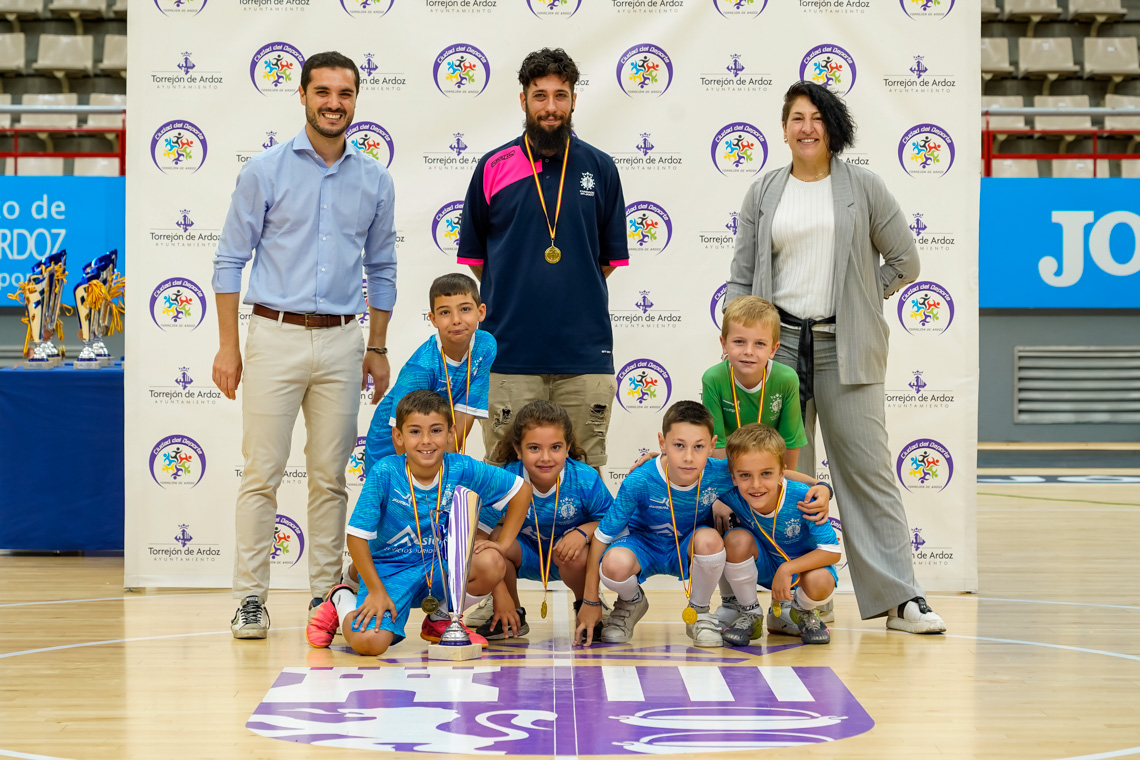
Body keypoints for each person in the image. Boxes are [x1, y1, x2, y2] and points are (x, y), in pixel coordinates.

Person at [726, 80, 945, 634]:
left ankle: (902, 599)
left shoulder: (864, 187)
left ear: (832, 128)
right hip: (779, 349)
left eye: (817, 118)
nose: (806, 127)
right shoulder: (764, 192)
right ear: (783, 128)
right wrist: (741, 337)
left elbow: (905, 261)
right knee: (784, 477)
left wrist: (862, 297)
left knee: (866, 471)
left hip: (844, 345)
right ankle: (788, 604)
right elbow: (743, 273)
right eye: (796, 118)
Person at [211, 51, 397, 640]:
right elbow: (228, 261)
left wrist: (379, 346)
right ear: (302, 95)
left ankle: (324, 597)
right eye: (323, 92)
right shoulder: (262, 171)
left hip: (344, 342)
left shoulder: (374, 179)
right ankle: (249, 600)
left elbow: (383, 267)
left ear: (355, 101)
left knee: (330, 477)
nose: (334, 103)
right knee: (261, 474)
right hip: (272, 335)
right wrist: (227, 348)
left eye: (345, 94)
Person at [457, 47, 627, 470]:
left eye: (560, 95)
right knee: (502, 477)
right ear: (523, 101)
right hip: (508, 354)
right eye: (540, 96)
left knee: (584, 478)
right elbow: (479, 260)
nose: (551, 108)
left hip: (583, 356)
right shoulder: (493, 166)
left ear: (573, 100)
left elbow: (605, 260)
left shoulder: (599, 168)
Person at [574, 402, 831, 648]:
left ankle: (699, 613)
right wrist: (590, 599)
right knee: (613, 562)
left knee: (710, 539)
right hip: (645, 547)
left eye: (698, 447)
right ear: (662, 443)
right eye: (678, 445)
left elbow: (770, 471)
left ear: (711, 446)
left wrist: (822, 487)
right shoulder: (640, 480)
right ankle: (631, 602)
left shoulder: (721, 472)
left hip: (688, 545)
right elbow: (602, 537)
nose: (688, 457)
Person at [305, 390, 533, 655]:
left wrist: (502, 546)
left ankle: (442, 618)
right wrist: (377, 591)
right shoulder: (386, 472)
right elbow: (356, 537)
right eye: (415, 432)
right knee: (369, 643)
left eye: (436, 430)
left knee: (492, 562)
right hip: (392, 570)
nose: (426, 441)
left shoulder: (462, 468)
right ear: (398, 437)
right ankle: (340, 598)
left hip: (441, 565)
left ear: (451, 434)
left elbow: (522, 491)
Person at [475, 400, 614, 641]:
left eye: (556, 447)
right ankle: (511, 614)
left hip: (569, 558)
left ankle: (587, 605)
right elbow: (479, 538)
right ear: (518, 449)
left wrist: (582, 532)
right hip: (527, 556)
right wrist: (499, 594)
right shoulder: (506, 479)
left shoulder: (584, 478)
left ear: (568, 447)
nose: (546, 457)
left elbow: (612, 523)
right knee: (495, 540)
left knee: (581, 549)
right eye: (534, 448)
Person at [717, 424, 840, 647]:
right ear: (733, 476)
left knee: (821, 579)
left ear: (781, 472)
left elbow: (832, 552)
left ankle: (801, 612)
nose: (755, 485)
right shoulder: (732, 492)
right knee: (735, 539)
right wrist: (658, 459)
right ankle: (751, 613)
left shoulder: (804, 497)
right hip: (764, 566)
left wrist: (788, 568)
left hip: (802, 571)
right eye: (745, 475)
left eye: (766, 474)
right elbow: (692, 470)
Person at [363, 273, 495, 470]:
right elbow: (403, 433)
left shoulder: (486, 346)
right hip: (391, 446)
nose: (456, 320)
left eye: (465, 309)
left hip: (432, 444)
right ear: (432, 319)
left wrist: (443, 470)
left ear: (481, 312)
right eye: (445, 313)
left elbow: (463, 419)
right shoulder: (422, 367)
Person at [703, 295, 807, 468]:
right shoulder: (713, 379)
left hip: (771, 468)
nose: (748, 351)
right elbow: (717, 443)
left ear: (773, 349)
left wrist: (786, 483)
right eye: (739, 342)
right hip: (728, 469)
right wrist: (732, 485)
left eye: (759, 343)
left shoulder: (786, 379)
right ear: (724, 344)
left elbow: (790, 442)